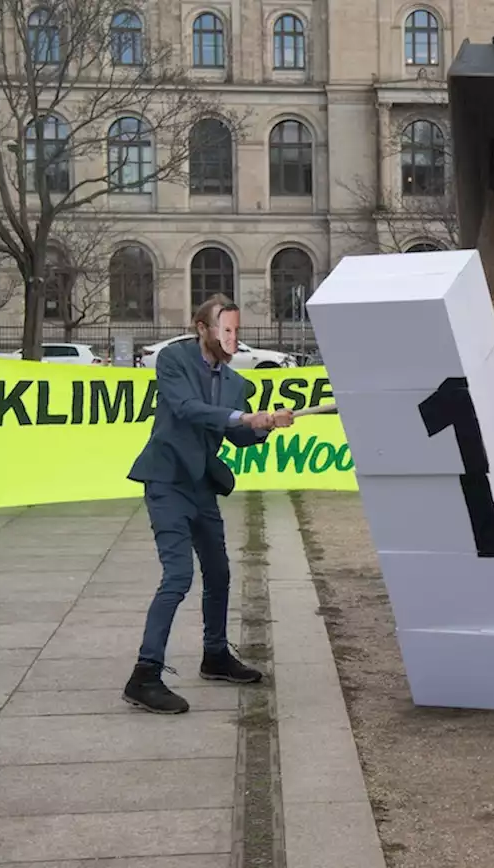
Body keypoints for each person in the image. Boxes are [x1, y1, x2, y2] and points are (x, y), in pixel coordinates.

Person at [123, 295, 294, 714]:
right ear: (203, 328)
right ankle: (144, 676)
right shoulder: (173, 361)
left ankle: (215, 655)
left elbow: (238, 435)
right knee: (178, 575)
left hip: (202, 487)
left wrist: (267, 424)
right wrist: (243, 419)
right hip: (166, 481)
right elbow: (188, 409)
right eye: (226, 329)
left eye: (237, 330)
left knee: (218, 573)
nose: (233, 337)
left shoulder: (237, 383)